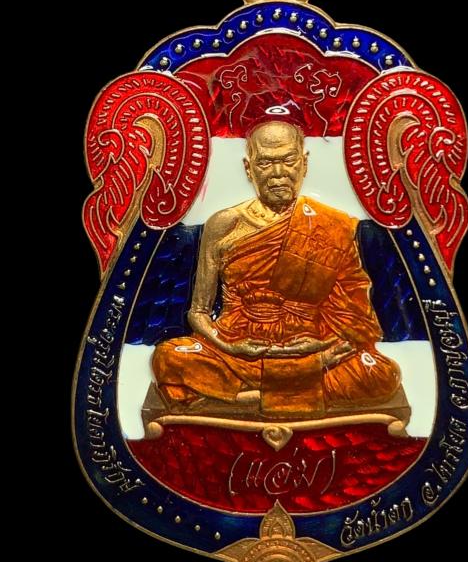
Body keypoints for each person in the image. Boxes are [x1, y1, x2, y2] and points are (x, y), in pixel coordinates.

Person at [152, 120, 401, 418]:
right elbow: (199, 312)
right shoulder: (224, 225)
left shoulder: (331, 226)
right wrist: (229, 345)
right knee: (169, 357)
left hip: (310, 349)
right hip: (240, 351)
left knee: (380, 373)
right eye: (266, 163)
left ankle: (249, 398)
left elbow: (355, 319)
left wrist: (323, 351)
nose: (278, 173)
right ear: (249, 169)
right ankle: (285, 389)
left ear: (304, 163)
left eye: (288, 160)